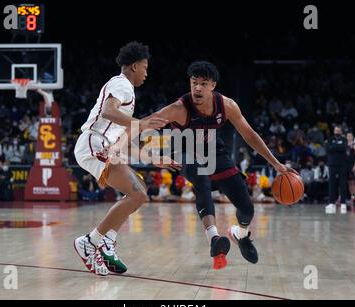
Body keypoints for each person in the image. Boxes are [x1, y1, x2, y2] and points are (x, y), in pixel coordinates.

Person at [147, 61, 296, 269]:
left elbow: (250, 135)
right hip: (184, 150)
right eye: (194, 83)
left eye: (203, 83)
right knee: (201, 178)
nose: (197, 88)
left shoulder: (227, 106)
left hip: (214, 151)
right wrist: (153, 154)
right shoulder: (179, 108)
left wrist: (276, 164)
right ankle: (214, 238)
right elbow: (146, 125)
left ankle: (240, 234)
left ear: (213, 86)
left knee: (246, 207)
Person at [73, 42, 175, 276]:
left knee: (138, 192)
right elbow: (108, 111)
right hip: (93, 143)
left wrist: (154, 158)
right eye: (145, 67)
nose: (147, 73)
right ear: (133, 66)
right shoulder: (122, 84)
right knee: (138, 193)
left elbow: (124, 142)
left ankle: (106, 239)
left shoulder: (124, 89)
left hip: (103, 144)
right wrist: (142, 123)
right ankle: (91, 241)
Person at [325, 125, 348, 214]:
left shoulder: (344, 139)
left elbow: (344, 148)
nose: (337, 132)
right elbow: (328, 149)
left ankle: (343, 203)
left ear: (341, 132)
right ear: (334, 131)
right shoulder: (330, 139)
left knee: (342, 184)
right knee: (332, 183)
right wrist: (337, 147)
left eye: (339, 130)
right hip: (332, 164)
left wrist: (333, 147)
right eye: (336, 130)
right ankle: (331, 202)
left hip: (342, 164)